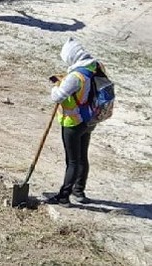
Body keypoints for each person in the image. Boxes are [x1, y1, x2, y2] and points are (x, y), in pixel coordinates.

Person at [45, 38, 102, 207]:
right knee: (82, 157)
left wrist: (56, 85)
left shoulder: (75, 77)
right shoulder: (95, 68)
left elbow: (57, 96)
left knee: (72, 161)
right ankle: (79, 192)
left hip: (73, 122)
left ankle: (63, 196)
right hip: (89, 119)